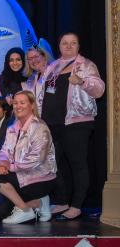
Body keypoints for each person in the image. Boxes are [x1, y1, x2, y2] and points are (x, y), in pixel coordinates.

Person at [41, 33, 105, 220]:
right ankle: (62, 201)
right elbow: (43, 94)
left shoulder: (86, 65)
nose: (68, 46)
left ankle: (77, 205)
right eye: (64, 43)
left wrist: (83, 82)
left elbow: (99, 89)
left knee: (78, 165)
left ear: (78, 46)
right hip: (52, 124)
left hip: (76, 123)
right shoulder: (52, 67)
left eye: (73, 43)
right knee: (54, 164)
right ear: (59, 46)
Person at [0, 91, 56, 224]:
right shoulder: (12, 128)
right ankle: (39, 203)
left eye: (22, 103)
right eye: (15, 103)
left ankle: (25, 210)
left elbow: (36, 159)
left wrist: (10, 167)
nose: (18, 106)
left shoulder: (39, 127)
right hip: (20, 176)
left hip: (40, 178)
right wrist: (2, 163)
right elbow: (4, 151)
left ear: (32, 106)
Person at [23, 47, 50, 114]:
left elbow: (53, 93)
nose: (33, 60)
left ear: (44, 56)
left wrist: (45, 75)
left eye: (36, 56)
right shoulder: (33, 78)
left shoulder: (54, 73)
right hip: (38, 118)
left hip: (53, 117)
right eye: (30, 59)